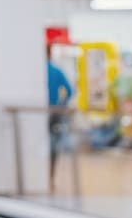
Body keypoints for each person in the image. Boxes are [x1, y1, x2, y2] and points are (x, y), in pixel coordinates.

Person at [47, 55, 74, 189]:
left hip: (39, 114)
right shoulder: (56, 70)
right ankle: (50, 177)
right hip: (54, 112)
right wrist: (61, 104)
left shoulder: (35, 71)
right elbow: (69, 90)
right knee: (52, 146)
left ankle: (40, 175)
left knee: (37, 146)